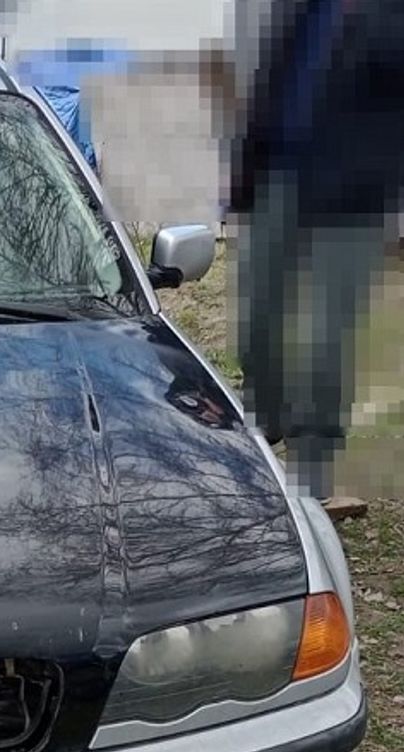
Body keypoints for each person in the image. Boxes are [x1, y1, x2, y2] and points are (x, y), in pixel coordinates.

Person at [229, 0, 404, 505]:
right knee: (256, 310)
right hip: (278, 174)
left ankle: (314, 454)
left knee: (328, 333)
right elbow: (269, 77)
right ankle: (266, 412)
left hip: (354, 192)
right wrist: (244, 176)